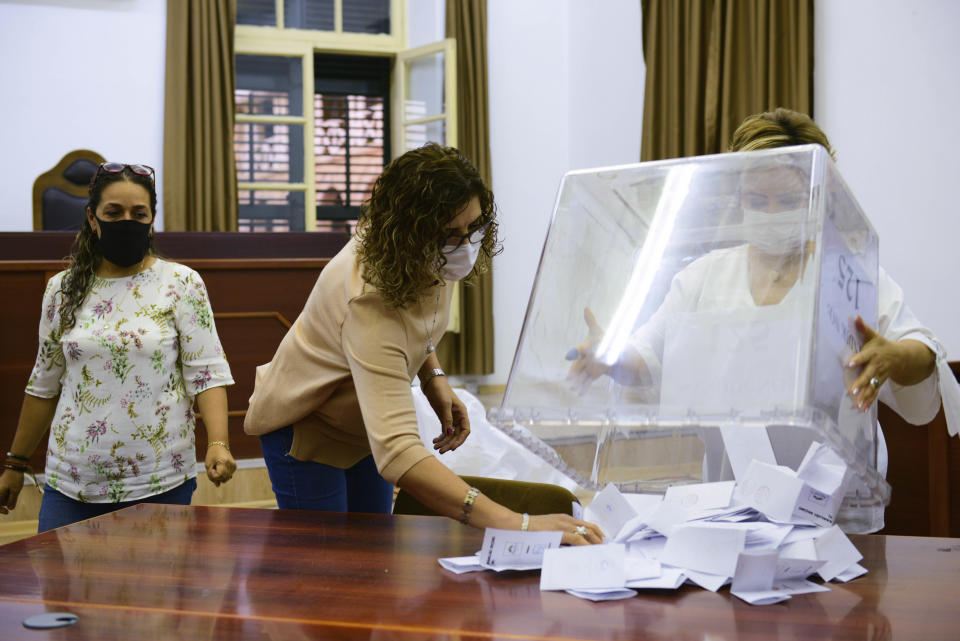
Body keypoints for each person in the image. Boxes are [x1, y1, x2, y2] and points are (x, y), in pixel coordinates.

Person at [567, 108, 960, 532]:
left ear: (820, 194)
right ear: (738, 196)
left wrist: (892, 357)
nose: (771, 213)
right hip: (729, 510)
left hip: (836, 516)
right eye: (757, 200)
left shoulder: (850, 278)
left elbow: (922, 352)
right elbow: (648, 356)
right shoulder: (703, 276)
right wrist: (607, 357)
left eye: (788, 201)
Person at [244, 143, 602, 545]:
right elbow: (398, 451)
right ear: (409, 232)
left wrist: (434, 376)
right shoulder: (368, 300)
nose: (465, 244)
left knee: (375, 552)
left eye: (474, 227)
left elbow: (415, 328)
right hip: (309, 428)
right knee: (328, 569)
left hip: (362, 425)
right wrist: (518, 523)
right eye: (450, 233)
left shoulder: (429, 259)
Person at [0, 162, 236, 531]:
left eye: (138, 213)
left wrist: (218, 442)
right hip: (72, 483)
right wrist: (16, 463)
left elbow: (206, 373)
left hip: (158, 479)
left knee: (154, 590)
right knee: (64, 589)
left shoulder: (182, 283)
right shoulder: (62, 290)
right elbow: (44, 384)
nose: (127, 221)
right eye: (114, 212)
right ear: (93, 219)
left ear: (152, 219)